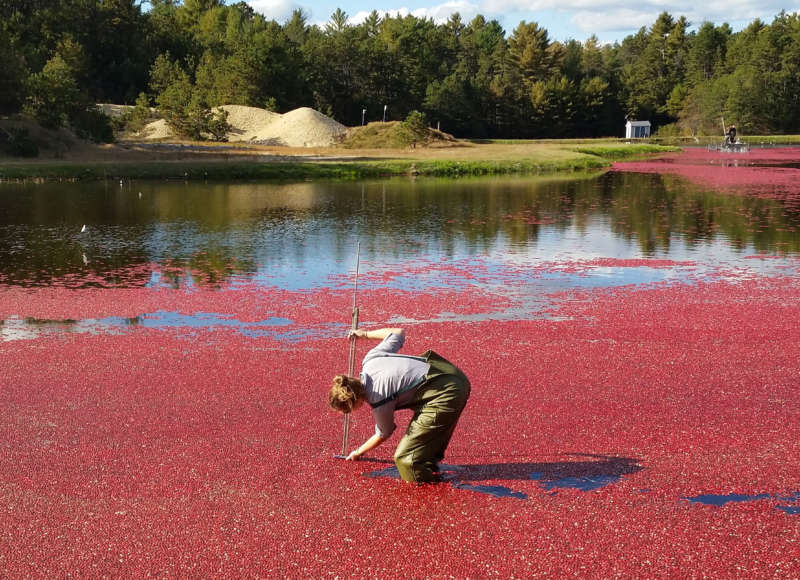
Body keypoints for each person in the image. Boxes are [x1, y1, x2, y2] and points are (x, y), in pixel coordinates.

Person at [328, 327, 470, 483]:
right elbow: (398, 332)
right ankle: (430, 468)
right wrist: (365, 334)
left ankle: (431, 493)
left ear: (355, 403)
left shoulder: (379, 399)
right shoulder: (370, 359)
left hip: (446, 393)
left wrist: (357, 452)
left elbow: (383, 433)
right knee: (424, 451)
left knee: (405, 459)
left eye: (348, 411)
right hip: (450, 373)